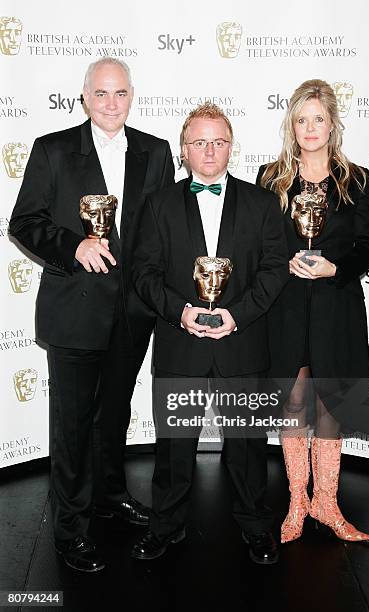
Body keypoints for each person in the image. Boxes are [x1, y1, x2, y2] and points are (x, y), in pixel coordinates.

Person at [9, 57, 174, 572]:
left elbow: (162, 232)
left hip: (132, 313)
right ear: (83, 97)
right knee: (73, 426)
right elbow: (25, 222)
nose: (110, 104)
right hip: (74, 311)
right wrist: (72, 246)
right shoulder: (53, 149)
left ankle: (109, 494)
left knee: (114, 416)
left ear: (132, 96)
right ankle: (69, 528)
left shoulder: (156, 152)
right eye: (100, 94)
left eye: (119, 93)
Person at [131, 103, 289, 565]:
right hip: (181, 345)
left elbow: (274, 271)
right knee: (174, 448)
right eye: (199, 142)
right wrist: (180, 311)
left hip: (242, 344)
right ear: (184, 149)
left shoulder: (261, 203)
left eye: (218, 141)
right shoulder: (159, 204)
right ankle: (166, 526)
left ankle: (256, 527)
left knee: (247, 447)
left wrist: (236, 315)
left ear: (231, 147)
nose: (209, 151)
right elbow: (144, 273)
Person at [256, 79, 369, 544]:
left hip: (336, 306)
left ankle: (327, 504)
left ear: (332, 124)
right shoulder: (271, 179)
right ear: (292, 124)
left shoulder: (356, 179)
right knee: (294, 400)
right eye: (302, 119)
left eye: (319, 119)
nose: (310, 128)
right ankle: (296, 500)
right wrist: (282, 259)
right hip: (286, 306)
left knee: (330, 403)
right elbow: (261, 246)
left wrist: (334, 267)